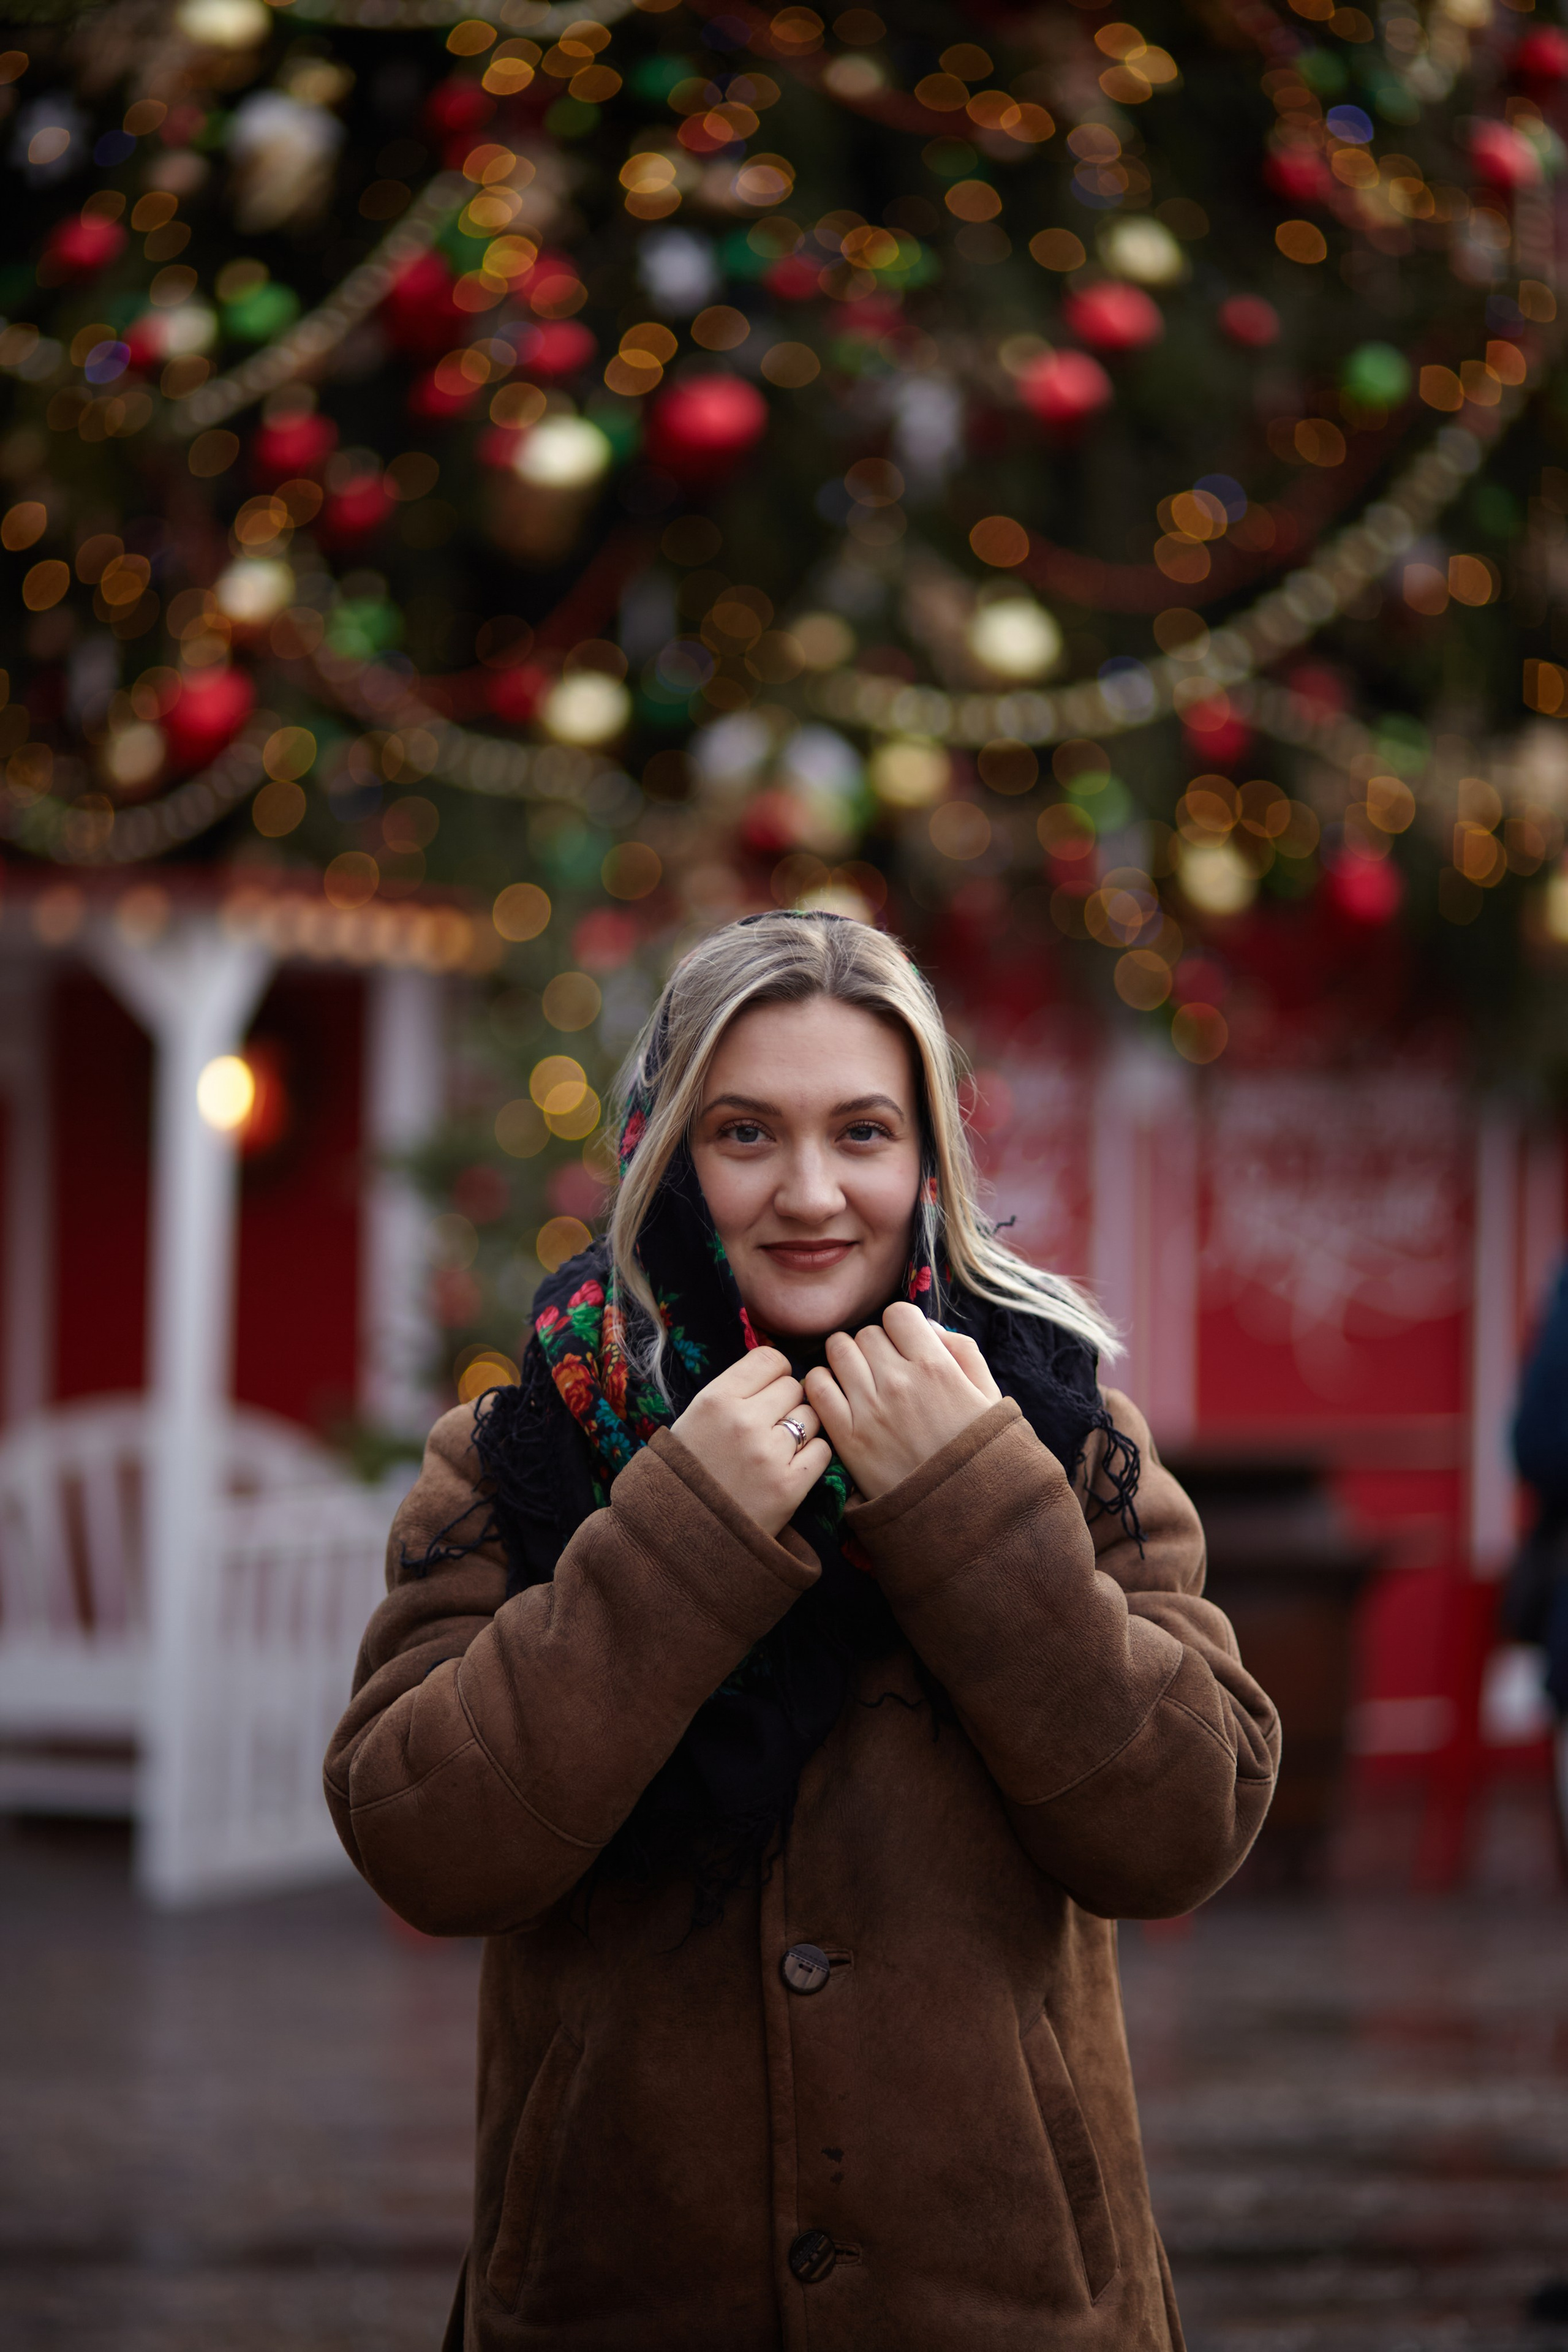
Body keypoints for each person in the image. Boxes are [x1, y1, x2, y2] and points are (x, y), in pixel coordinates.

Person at [326, 910, 1279, 2351]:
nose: (812, 1193)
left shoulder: (1067, 1442)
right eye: (746, 1135)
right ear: (665, 1159)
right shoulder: (522, 1452)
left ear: (929, 1165)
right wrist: (680, 1531)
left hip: (1010, 2309)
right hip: (612, 2298)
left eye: (863, 1132)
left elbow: (1180, 1827)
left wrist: (966, 1504)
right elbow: (424, 1840)